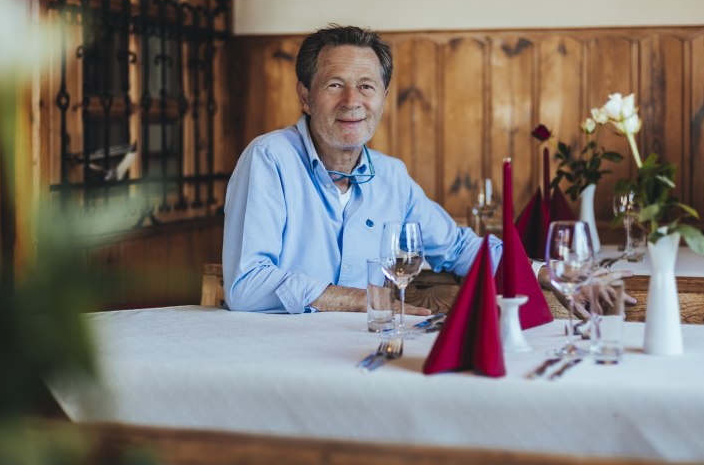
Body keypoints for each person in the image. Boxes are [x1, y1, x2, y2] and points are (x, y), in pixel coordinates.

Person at [222, 24, 629, 315]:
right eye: (334, 85)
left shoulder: (391, 176)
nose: (352, 101)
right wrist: (366, 299)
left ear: (382, 98)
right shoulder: (269, 159)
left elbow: (459, 249)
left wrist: (552, 275)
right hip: (276, 354)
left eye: (366, 86)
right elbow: (246, 287)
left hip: (361, 350)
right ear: (306, 97)